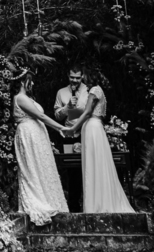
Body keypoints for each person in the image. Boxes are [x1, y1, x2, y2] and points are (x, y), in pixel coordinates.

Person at [63, 71, 135, 213]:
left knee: (93, 164)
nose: (82, 79)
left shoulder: (94, 90)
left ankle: (96, 204)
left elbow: (87, 112)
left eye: (84, 76)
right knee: (98, 163)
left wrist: (72, 128)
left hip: (92, 128)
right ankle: (101, 200)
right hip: (96, 127)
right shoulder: (100, 90)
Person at [11, 68, 69, 224]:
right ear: (22, 82)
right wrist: (60, 128)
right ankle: (38, 200)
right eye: (30, 81)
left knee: (42, 167)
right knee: (32, 167)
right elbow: (40, 116)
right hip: (29, 135)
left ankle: (50, 198)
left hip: (37, 136)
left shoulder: (28, 98)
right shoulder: (20, 98)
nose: (33, 84)